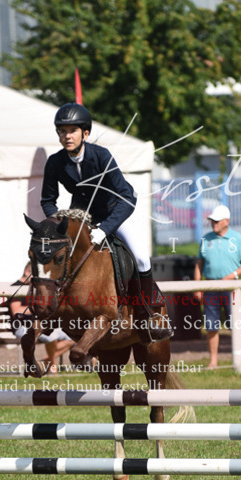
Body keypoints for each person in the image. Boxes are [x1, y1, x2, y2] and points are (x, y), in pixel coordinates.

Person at [40, 102, 169, 338]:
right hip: (80, 219)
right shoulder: (55, 162)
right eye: (62, 131)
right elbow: (47, 200)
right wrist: (56, 223)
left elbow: (127, 197)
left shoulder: (101, 156)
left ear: (85, 133)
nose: (66, 136)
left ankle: (147, 313)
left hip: (113, 215)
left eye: (72, 131)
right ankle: (52, 311)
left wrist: (106, 228)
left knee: (141, 257)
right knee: (53, 256)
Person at [193, 204, 241, 370]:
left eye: (217, 221)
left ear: (227, 221)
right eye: (212, 221)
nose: (213, 223)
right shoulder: (206, 239)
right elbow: (199, 263)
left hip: (231, 288)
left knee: (234, 323)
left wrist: (233, 276)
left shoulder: (237, 238)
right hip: (210, 286)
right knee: (211, 325)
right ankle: (213, 361)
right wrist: (197, 286)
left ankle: (238, 359)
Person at [9, 264, 75, 374]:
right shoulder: (16, 287)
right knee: (51, 336)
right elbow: (16, 311)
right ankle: (52, 364)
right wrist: (39, 308)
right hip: (22, 326)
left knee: (72, 336)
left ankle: (45, 361)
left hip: (39, 324)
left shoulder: (35, 287)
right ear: (27, 272)